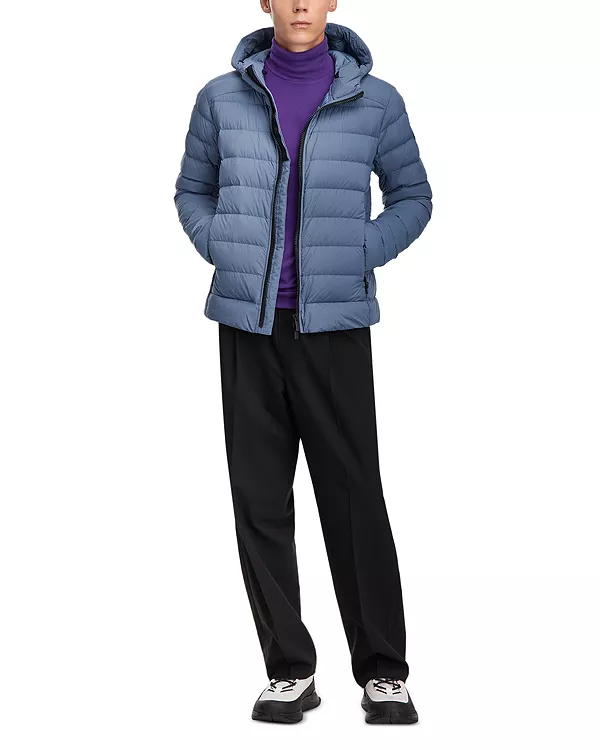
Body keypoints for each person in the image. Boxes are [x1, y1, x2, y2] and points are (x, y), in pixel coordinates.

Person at [173, 0, 432, 725]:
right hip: (246, 327)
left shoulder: (376, 100)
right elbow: (191, 190)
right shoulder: (220, 97)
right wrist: (222, 246)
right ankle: (289, 669)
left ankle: (383, 671)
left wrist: (358, 254)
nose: (299, 4)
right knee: (259, 501)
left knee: (353, 498)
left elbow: (413, 197)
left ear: (332, 2)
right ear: (265, 1)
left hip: (333, 327)